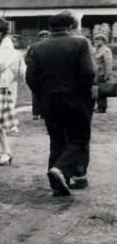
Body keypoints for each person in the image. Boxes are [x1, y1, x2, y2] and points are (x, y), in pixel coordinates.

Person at [25, 12, 96, 195]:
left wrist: (43, 96)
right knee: (79, 139)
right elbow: (88, 73)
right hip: (74, 100)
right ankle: (61, 169)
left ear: (50, 28)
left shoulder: (37, 48)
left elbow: (30, 77)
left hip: (50, 102)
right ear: (71, 27)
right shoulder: (80, 43)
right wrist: (83, 94)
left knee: (56, 142)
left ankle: (57, 187)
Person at [0, 17, 21, 165]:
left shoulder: (7, 44)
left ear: (1, 31)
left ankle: (6, 151)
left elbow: (0, 64)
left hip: (0, 85)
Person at [30, 29, 52, 120]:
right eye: (42, 37)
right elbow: (28, 60)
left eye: (46, 37)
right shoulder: (34, 47)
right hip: (37, 74)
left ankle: (44, 113)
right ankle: (35, 113)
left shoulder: (52, 47)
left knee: (47, 94)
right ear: (39, 38)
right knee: (36, 94)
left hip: (47, 74)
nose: (44, 38)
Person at [92, 34, 112, 113]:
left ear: (103, 41)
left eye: (99, 39)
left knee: (102, 91)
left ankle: (102, 108)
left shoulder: (106, 50)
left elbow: (108, 64)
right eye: (96, 40)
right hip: (97, 74)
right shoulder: (96, 50)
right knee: (97, 91)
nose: (97, 41)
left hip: (102, 74)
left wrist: (107, 75)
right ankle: (99, 106)